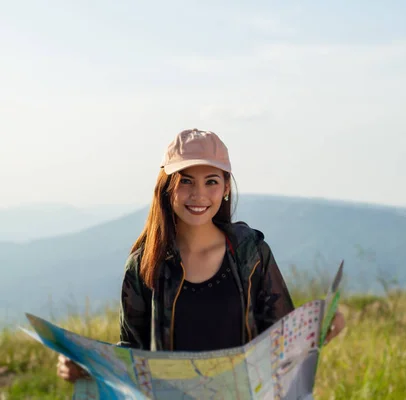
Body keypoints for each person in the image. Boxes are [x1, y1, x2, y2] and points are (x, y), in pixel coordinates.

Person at [57, 129, 346, 382]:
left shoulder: (251, 254)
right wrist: (87, 362)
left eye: (211, 181)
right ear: (167, 189)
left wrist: (320, 330)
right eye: (185, 181)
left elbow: (281, 339)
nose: (199, 195)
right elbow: (134, 350)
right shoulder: (145, 264)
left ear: (225, 189)